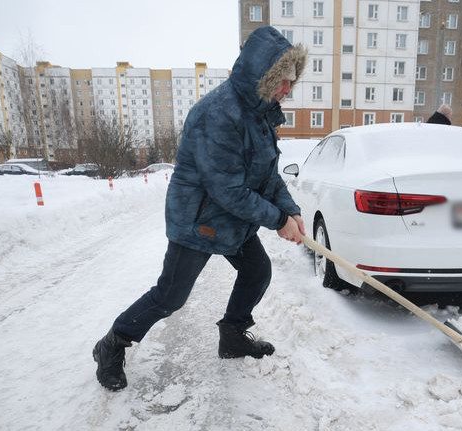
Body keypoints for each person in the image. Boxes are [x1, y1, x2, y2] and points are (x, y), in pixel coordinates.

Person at [91, 26, 308, 391]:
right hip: (198, 219)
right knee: (170, 296)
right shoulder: (218, 114)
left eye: (291, 81)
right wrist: (278, 220)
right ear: (263, 77)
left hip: (232, 219)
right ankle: (112, 343)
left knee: (257, 270)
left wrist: (291, 210)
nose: (288, 89)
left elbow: (267, 175)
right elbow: (228, 190)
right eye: (283, 81)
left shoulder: (261, 114)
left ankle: (233, 335)